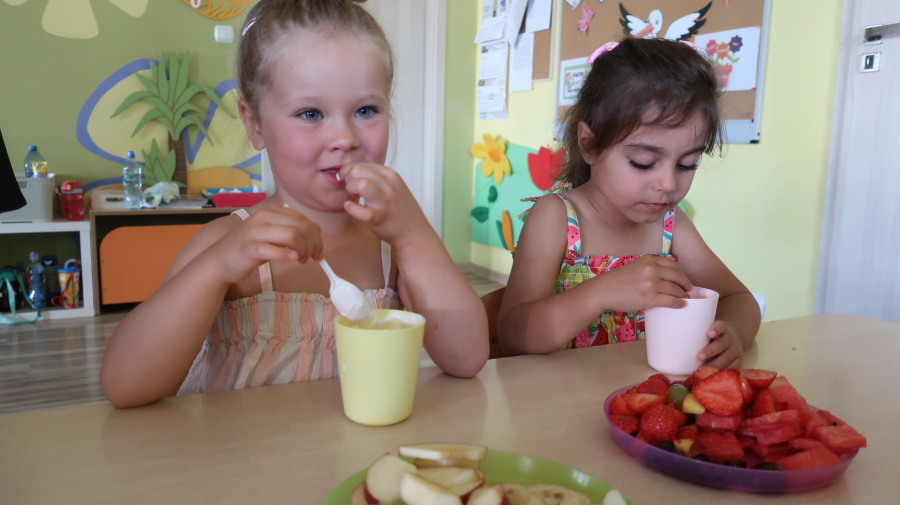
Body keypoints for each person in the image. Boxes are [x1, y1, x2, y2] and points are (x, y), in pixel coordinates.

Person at [101, 0, 488, 408]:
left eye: (366, 110)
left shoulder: (394, 250)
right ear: (254, 123)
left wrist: (415, 235)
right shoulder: (225, 242)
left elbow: (467, 357)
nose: (344, 138)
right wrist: (217, 267)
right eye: (310, 113)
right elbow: (126, 385)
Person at [497, 38, 760, 369]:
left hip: (647, 395)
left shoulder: (670, 224)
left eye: (687, 164)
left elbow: (740, 299)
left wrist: (733, 332)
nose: (668, 184)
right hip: (564, 397)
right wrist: (599, 293)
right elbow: (513, 336)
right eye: (642, 162)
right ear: (589, 145)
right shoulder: (557, 217)